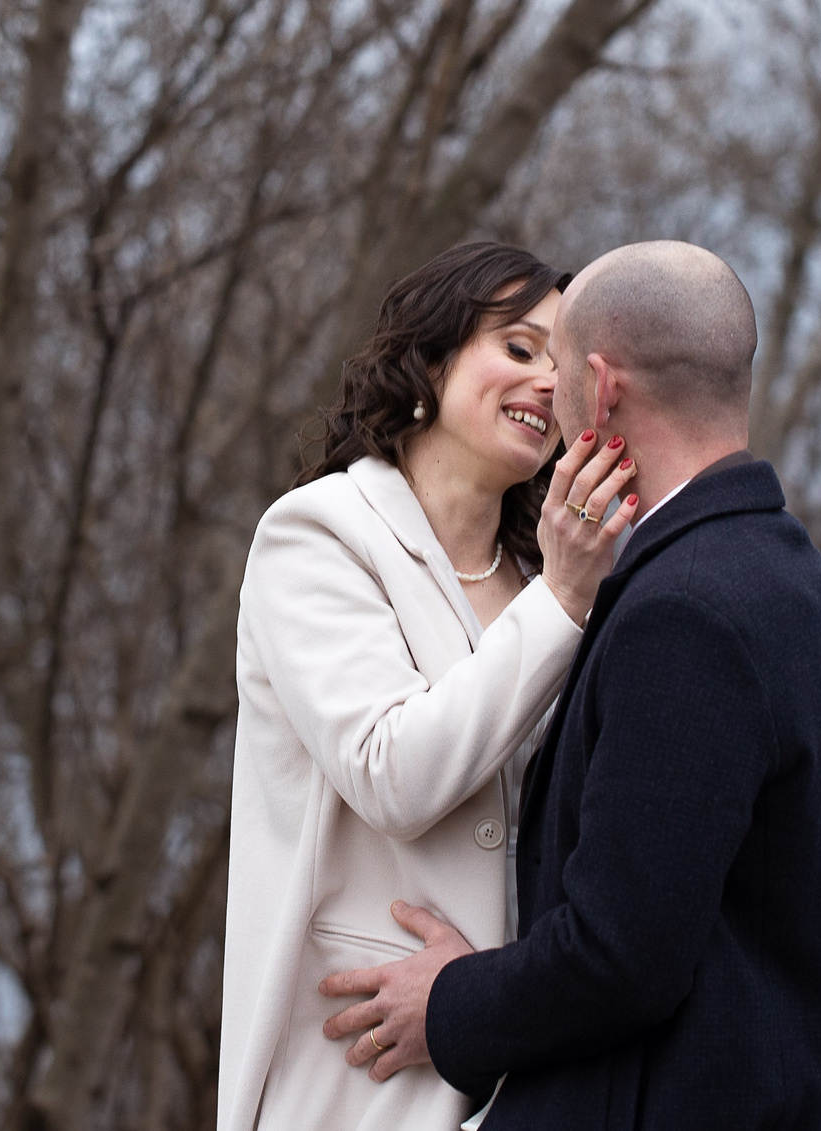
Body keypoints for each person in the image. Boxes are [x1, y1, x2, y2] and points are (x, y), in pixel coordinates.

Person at [317, 241, 821, 1131]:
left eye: (561, 363)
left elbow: (623, 955)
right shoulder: (799, 581)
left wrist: (453, 1003)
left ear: (603, 388)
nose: (549, 390)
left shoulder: (684, 609)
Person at [218, 242, 641, 1131]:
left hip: (519, 1071)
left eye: (562, 368)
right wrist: (566, 598)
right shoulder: (318, 535)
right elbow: (391, 772)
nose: (544, 383)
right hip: (355, 1072)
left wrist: (496, 999)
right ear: (433, 355)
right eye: (520, 348)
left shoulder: (546, 575)